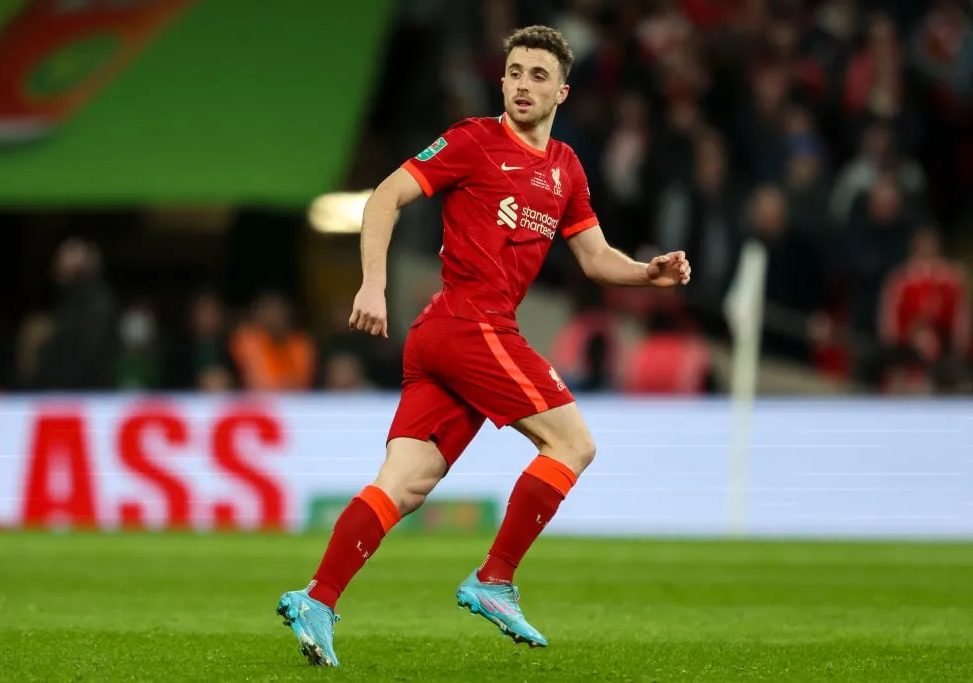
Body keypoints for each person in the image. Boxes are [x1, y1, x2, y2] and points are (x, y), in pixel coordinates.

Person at [275, 25, 692, 667]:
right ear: (501, 79)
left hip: (453, 337)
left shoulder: (566, 169)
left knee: (405, 483)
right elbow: (387, 194)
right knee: (573, 443)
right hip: (471, 324)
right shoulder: (472, 141)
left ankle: (318, 599)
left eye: (538, 76)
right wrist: (374, 284)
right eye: (515, 72)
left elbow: (595, 257)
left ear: (562, 91)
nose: (523, 84)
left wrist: (646, 274)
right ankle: (495, 578)